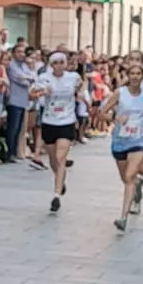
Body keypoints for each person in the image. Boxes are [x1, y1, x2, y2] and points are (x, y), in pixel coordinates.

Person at [101, 59, 143, 232]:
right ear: (127, 76)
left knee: (130, 175)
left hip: (139, 139)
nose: (135, 77)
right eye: (132, 74)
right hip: (121, 139)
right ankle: (138, 186)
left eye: (138, 74)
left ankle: (123, 217)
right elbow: (101, 113)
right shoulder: (120, 93)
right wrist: (114, 119)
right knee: (127, 178)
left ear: (142, 76)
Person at [32, 51, 84, 213]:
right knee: (53, 160)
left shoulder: (73, 77)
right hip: (49, 121)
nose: (60, 65)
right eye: (56, 62)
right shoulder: (44, 78)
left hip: (66, 121)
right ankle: (60, 181)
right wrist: (40, 93)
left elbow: (81, 84)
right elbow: (31, 93)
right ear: (51, 65)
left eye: (62, 62)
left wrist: (80, 93)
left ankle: (56, 196)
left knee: (61, 158)